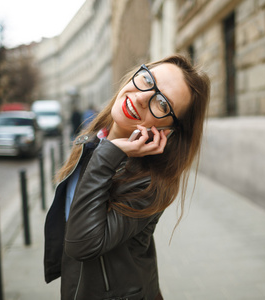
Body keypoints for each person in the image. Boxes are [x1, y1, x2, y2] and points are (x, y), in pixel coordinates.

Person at [44, 54, 210, 300]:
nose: (142, 97)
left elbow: (82, 244)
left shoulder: (151, 182)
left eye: (162, 103)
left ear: (168, 130)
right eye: (146, 79)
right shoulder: (93, 141)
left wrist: (108, 155)